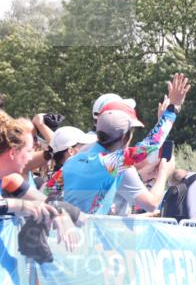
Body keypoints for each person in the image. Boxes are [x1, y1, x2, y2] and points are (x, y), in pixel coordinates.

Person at [61, 74, 188, 215]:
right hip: (92, 229)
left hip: (68, 227)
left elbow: (49, 192)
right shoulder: (114, 163)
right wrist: (164, 172)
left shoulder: (75, 159)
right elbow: (152, 204)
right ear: (126, 136)